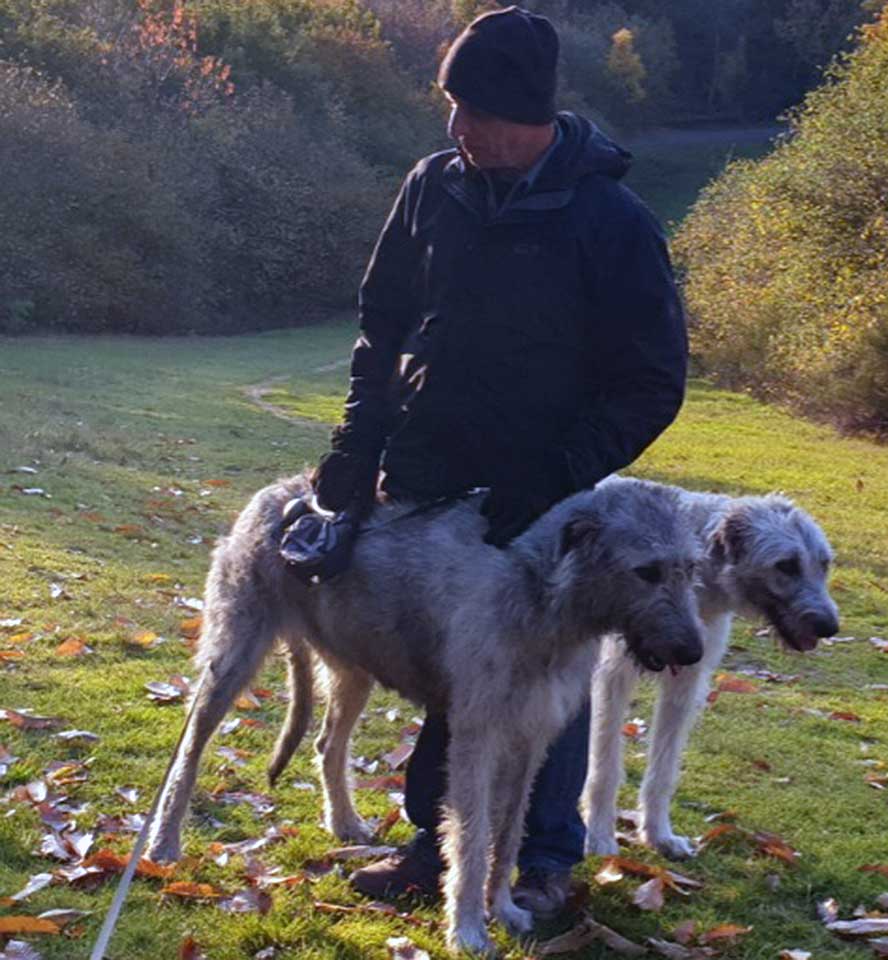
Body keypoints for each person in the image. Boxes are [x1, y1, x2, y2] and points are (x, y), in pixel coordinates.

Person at [302, 4, 687, 916]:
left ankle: (543, 862)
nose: (456, 128)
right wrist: (357, 446)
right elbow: (382, 324)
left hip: (543, 495)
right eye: (451, 107)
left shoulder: (610, 218)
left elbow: (651, 379)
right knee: (460, 666)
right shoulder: (434, 185)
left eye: (474, 111)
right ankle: (436, 854)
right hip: (432, 474)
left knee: (547, 669)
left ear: (529, 116)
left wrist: (554, 474)